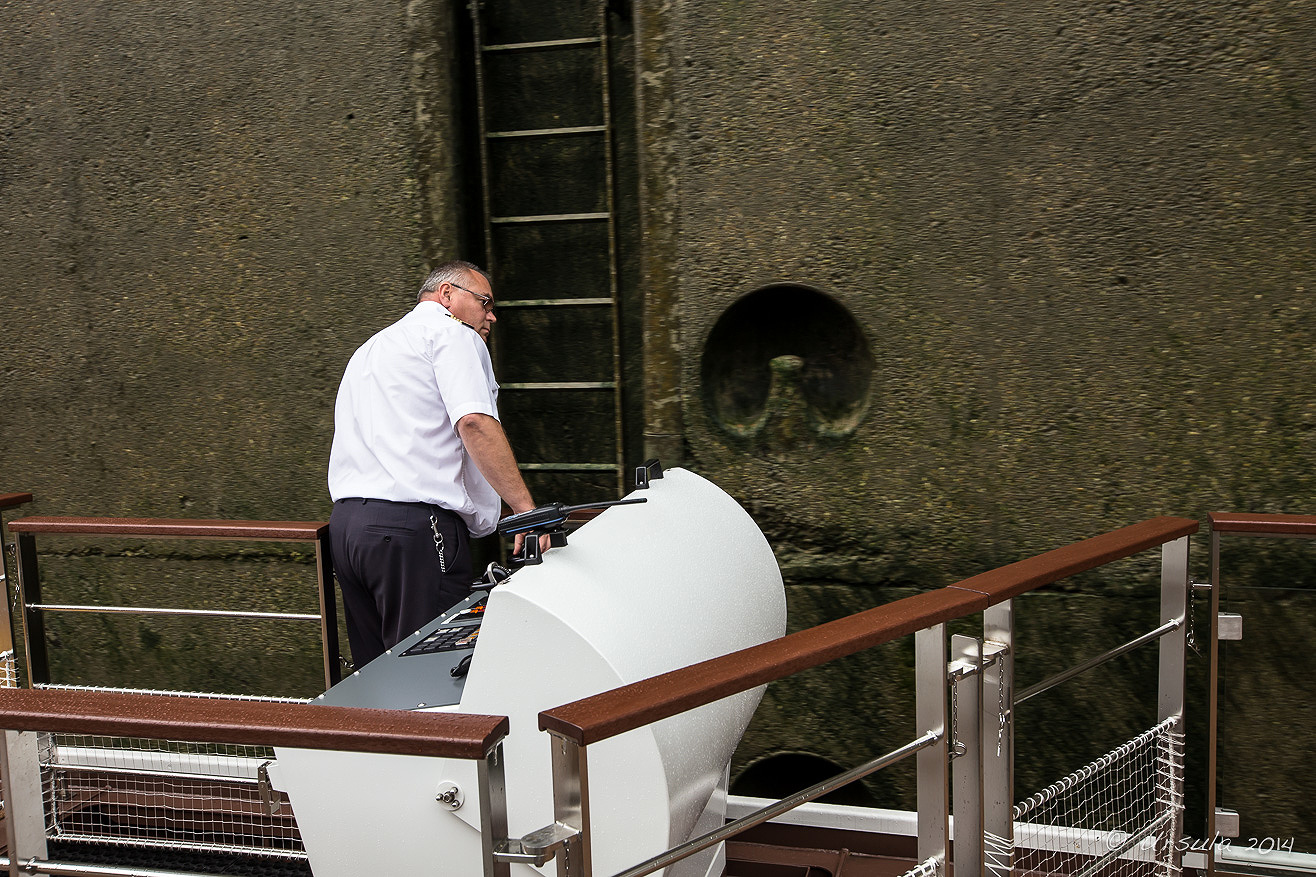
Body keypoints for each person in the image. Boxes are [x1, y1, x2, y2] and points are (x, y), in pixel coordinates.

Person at [327, 260, 541, 668]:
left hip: (349, 529)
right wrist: (524, 510)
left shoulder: (371, 348)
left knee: (374, 674)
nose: (491, 316)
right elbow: (474, 422)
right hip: (415, 530)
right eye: (485, 302)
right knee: (427, 672)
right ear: (447, 294)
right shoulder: (453, 334)